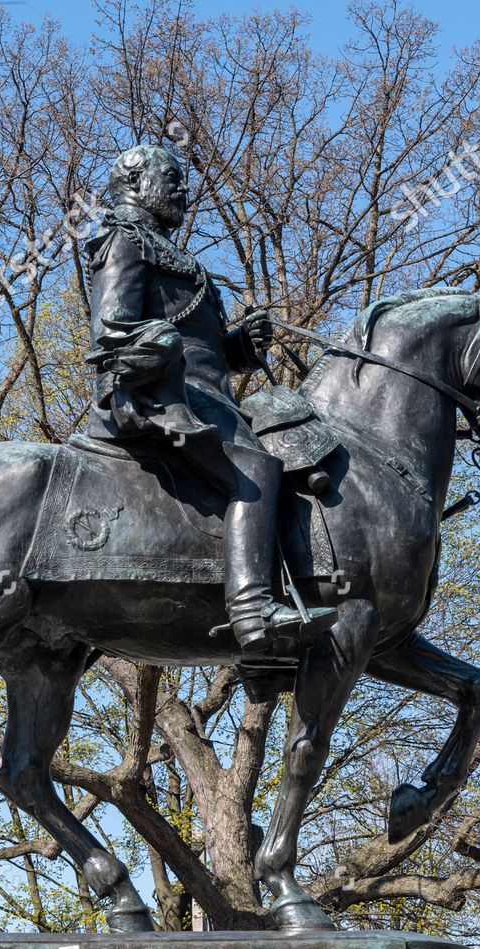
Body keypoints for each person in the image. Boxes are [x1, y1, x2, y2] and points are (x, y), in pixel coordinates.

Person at [85, 144, 336, 655]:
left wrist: (240, 344)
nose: (183, 187)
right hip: (163, 391)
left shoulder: (169, 251)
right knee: (256, 470)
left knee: (291, 437)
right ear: (135, 184)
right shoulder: (124, 241)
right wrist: (158, 345)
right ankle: (253, 612)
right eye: (171, 177)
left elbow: (207, 350)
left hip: (207, 391)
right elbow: (112, 328)